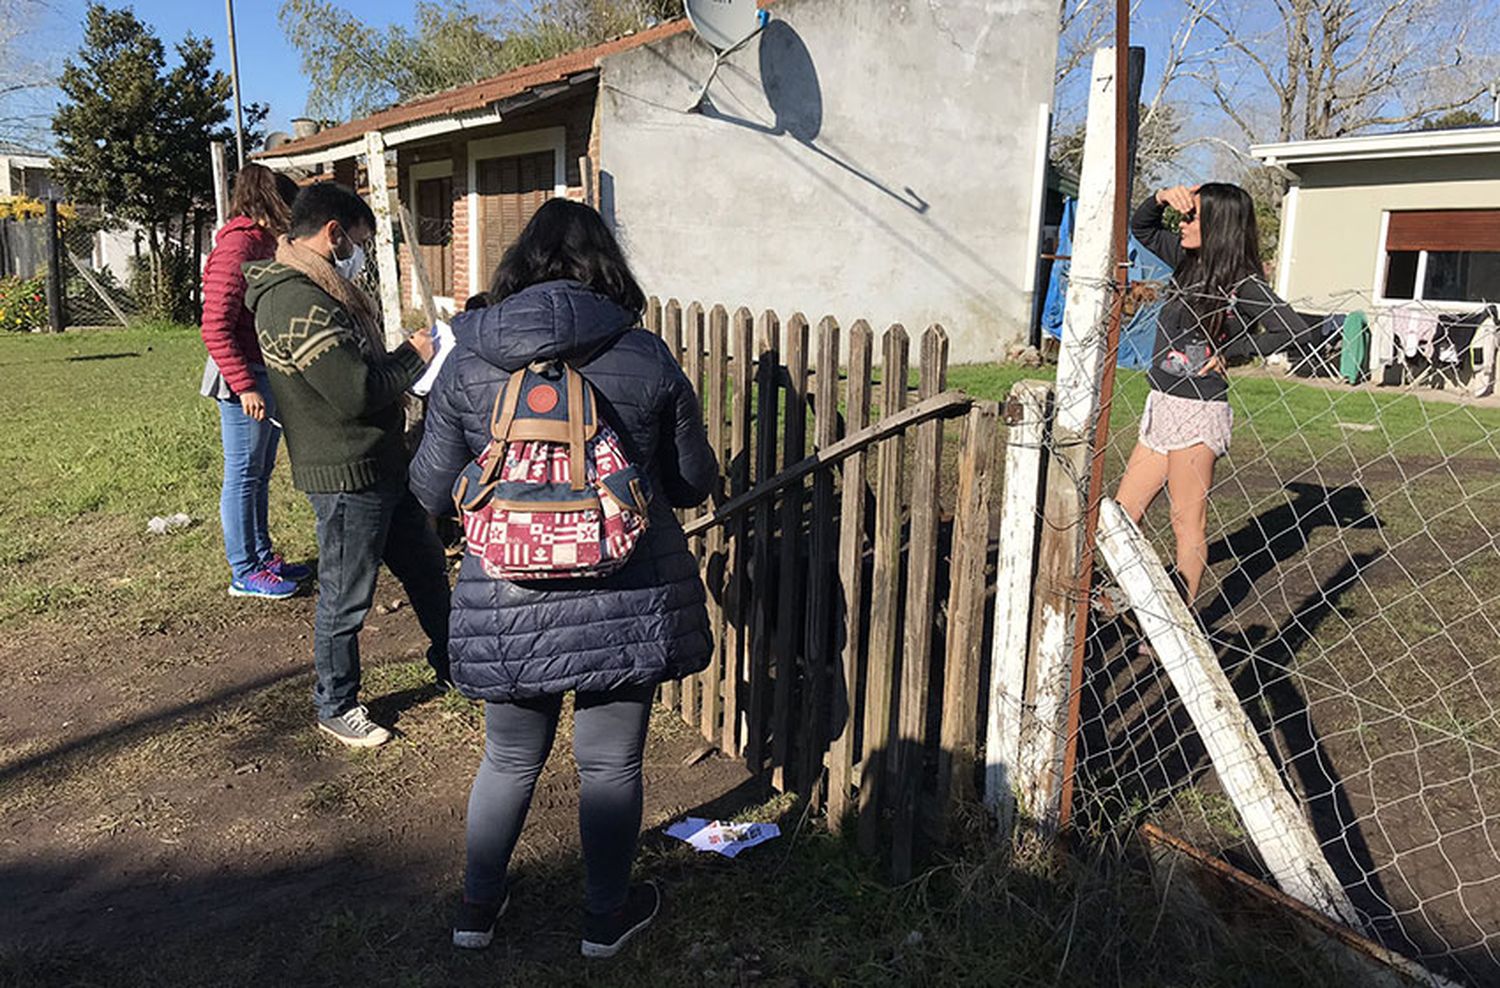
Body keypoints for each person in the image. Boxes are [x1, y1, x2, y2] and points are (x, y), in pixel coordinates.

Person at [408, 199, 716, 958]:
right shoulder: (645, 356)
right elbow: (690, 483)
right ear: (607, 265)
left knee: (510, 758)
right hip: (627, 594)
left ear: (517, 266)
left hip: (505, 596)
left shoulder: (470, 358)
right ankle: (604, 919)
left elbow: (426, 488)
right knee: (610, 762)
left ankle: (477, 910)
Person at [244, 182, 452, 748]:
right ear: (333, 233)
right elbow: (355, 392)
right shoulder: (296, 301)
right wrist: (417, 356)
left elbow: (357, 370)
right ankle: (335, 703)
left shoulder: (323, 289)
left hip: (379, 464)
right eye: (357, 241)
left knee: (428, 568)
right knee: (346, 595)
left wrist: (400, 358)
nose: (358, 253)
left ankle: (454, 661)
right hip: (345, 474)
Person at [1115, 182, 1306, 603]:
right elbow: (1141, 227)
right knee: (1121, 515)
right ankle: (1131, 597)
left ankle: (1173, 626)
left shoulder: (1243, 282)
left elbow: (1292, 328)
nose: (1183, 224)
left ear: (1219, 224)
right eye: (1185, 215)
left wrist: (1228, 350)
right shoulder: (1185, 260)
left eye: (1193, 216)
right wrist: (1164, 197)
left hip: (1199, 412)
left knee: (1185, 521)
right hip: (1161, 404)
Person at [199, 163, 306, 599]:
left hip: (265, 372)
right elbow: (215, 325)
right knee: (243, 474)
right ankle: (243, 570)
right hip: (244, 379)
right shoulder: (238, 245)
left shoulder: (264, 242)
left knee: (260, 472)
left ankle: (262, 557)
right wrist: (244, 386)